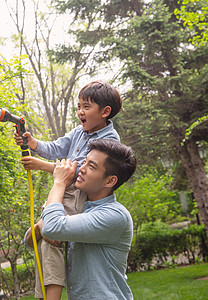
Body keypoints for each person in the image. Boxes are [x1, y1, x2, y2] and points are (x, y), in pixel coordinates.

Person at [18, 81, 122, 299]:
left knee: (51, 237)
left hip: (79, 196)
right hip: (64, 190)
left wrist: (42, 166)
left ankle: (42, 230)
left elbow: (82, 173)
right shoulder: (79, 131)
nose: (80, 112)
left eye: (86, 107)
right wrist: (33, 142)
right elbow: (57, 148)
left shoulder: (109, 140)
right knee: (45, 243)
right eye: (78, 107)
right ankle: (44, 294)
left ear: (105, 112)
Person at [40, 139, 137, 300]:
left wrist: (59, 182)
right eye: (84, 162)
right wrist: (39, 228)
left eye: (91, 166)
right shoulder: (81, 209)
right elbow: (30, 238)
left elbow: (52, 227)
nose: (81, 169)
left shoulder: (114, 215)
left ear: (110, 180)